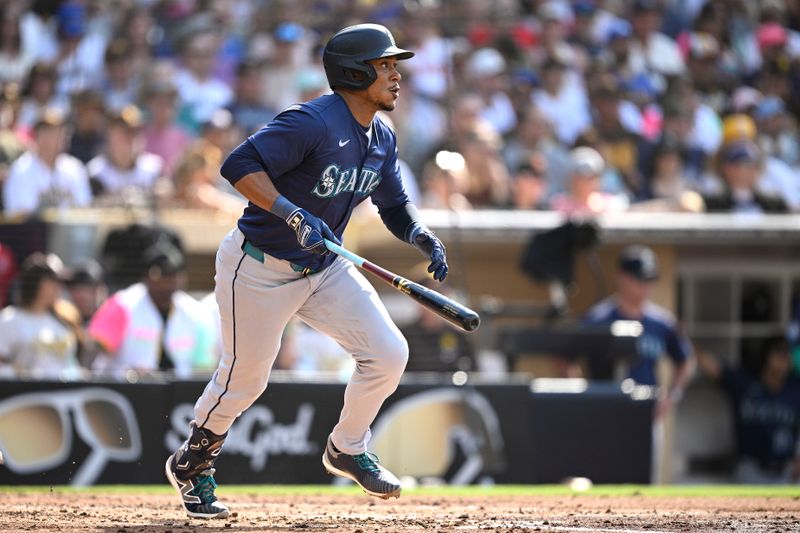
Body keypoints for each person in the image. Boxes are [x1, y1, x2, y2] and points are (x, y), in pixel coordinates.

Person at [164, 23, 448, 519]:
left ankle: (347, 447)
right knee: (245, 380)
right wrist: (291, 211)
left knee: (388, 353)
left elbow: (394, 203)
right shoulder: (311, 121)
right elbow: (239, 164)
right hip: (259, 266)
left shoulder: (381, 134)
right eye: (385, 66)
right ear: (355, 72)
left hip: (323, 266)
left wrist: (419, 234)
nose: (396, 75)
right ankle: (194, 462)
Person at [87, 237, 218, 379]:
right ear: (146, 277)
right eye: (160, 279)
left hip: (180, 393)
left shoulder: (195, 313)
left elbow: (204, 367)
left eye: (171, 277)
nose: (165, 285)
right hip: (127, 391)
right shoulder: (123, 304)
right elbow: (94, 349)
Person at [698, 336, 800, 484]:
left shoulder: (795, 389)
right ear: (766, 355)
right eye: (779, 352)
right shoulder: (745, 383)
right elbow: (714, 368)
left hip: (785, 471)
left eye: (788, 353)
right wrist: (681, 338)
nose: (784, 359)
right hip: (750, 470)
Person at [0, 252, 83, 380]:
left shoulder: (64, 318)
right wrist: (17, 373)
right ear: (36, 283)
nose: (59, 288)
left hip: (63, 396)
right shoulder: (9, 319)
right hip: (25, 397)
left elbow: (72, 365)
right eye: (53, 282)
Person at [3, 108, 91, 216]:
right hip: (35, 232)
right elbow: (21, 218)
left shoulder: (74, 168)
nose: (57, 137)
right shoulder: (21, 171)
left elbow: (85, 210)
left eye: (60, 131)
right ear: (37, 136)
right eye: (48, 132)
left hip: (70, 231)